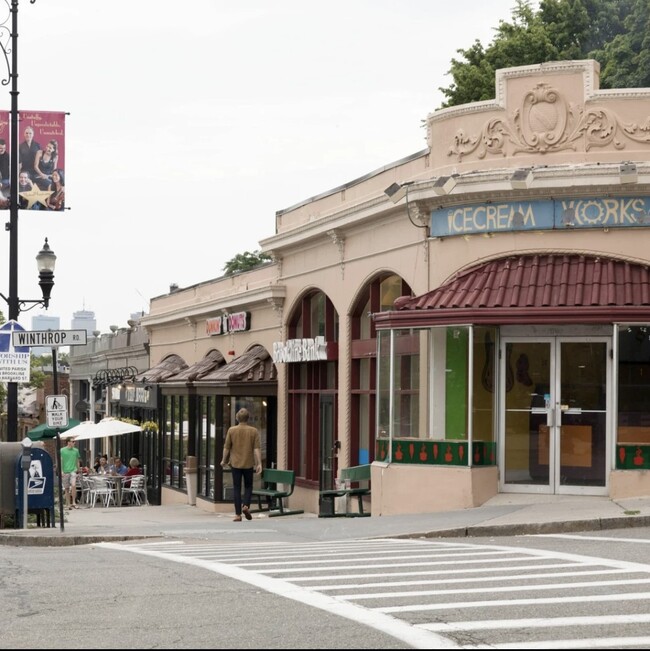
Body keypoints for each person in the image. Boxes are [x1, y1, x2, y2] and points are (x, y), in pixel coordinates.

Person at [220, 407, 262, 522]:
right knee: (248, 486)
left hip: (236, 464)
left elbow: (227, 448)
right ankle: (246, 506)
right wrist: (259, 463)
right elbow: (256, 449)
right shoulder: (253, 431)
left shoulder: (231, 430)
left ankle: (238, 514)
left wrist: (224, 460)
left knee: (237, 488)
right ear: (248, 418)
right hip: (248, 464)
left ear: (237, 418)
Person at [59, 437, 81, 509]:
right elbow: (61, 461)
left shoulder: (76, 450)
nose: (74, 443)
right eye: (73, 441)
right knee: (67, 488)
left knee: (74, 485)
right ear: (68, 442)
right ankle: (68, 504)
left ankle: (74, 502)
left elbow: (77, 461)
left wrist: (78, 470)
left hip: (73, 471)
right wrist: (61, 471)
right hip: (65, 471)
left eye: (74, 441)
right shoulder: (62, 450)